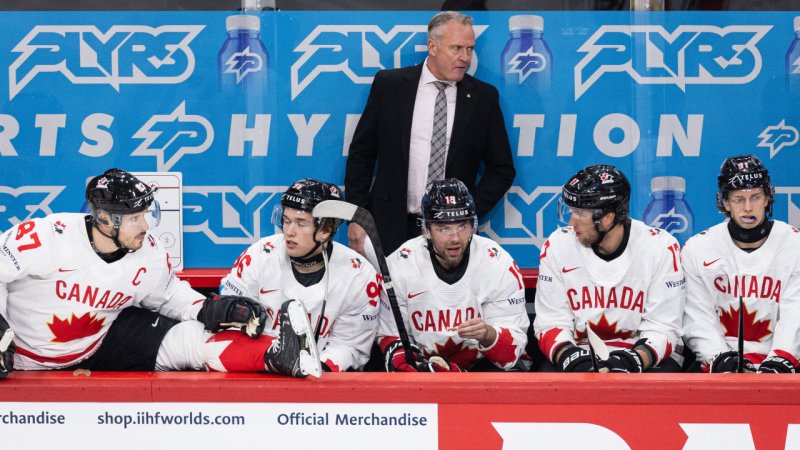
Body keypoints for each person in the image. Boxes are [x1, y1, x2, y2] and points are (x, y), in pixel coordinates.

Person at [0, 168, 320, 379]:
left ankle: (279, 355)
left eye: (147, 214)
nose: (146, 225)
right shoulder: (47, 236)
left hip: (98, 344)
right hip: (20, 356)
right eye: (135, 218)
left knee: (192, 338)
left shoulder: (148, 251)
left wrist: (208, 308)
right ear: (104, 219)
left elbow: (167, 296)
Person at [345, 11, 515, 257]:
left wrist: (465, 210)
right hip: (388, 226)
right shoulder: (390, 85)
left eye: (469, 49)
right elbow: (362, 154)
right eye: (456, 48)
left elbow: (502, 169)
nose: (464, 58)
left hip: (451, 234)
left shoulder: (483, 98)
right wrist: (358, 216)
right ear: (432, 46)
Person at [533, 165, 684, 373]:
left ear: (608, 218)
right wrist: (570, 356)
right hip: (579, 351)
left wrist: (633, 360)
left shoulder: (660, 246)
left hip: (642, 355)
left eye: (580, 213)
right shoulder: (558, 244)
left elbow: (664, 326)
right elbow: (550, 322)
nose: (571, 222)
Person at [219, 179, 380, 372]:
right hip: (258, 371)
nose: (289, 232)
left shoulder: (359, 274)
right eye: (286, 221)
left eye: (301, 223)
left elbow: (349, 346)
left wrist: (314, 370)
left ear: (326, 230)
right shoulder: (258, 255)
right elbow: (229, 327)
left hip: (322, 385)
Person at [376, 178, 529, 372]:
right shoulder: (400, 264)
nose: (455, 238)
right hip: (424, 374)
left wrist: (488, 334)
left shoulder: (497, 262)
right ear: (426, 229)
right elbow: (391, 339)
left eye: (462, 226)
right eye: (444, 228)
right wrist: (417, 369)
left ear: (472, 225)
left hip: (482, 371)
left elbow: (510, 356)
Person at [682, 155, 800, 373]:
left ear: (767, 199)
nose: (748, 207)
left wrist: (781, 360)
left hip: (786, 367)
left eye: (755, 197)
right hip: (719, 367)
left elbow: (796, 313)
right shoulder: (698, 248)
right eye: (738, 199)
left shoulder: (794, 244)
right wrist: (719, 358)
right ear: (725, 202)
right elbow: (697, 316)